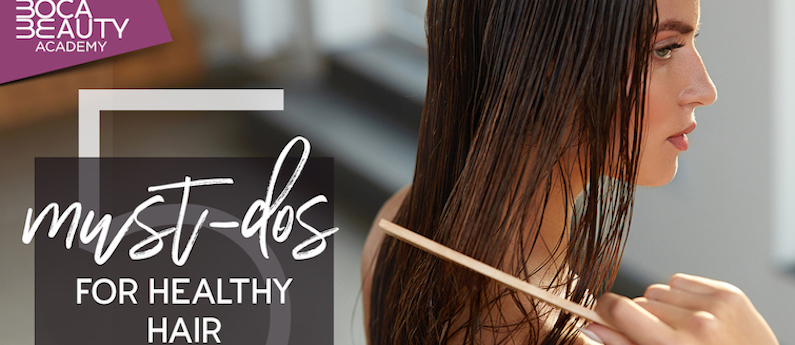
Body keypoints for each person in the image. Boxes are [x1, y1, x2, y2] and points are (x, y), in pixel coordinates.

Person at [361, 0, 779, 344]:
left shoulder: (398, 222)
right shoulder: (543, 332)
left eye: (692, 41)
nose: (705, 89)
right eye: (664, 48)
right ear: (542, 65)